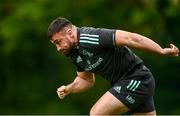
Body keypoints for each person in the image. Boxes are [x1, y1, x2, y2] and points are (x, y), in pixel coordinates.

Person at [47, 17, 179, 115]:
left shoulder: (91, 36)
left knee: (96, 113)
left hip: (137, 79)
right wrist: (70, 88)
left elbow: (130, 38)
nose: (58, 48)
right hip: (126, 84)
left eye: (59, 42)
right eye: (55, 44)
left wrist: (160, 50)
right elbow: (86, 79)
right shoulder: (73, 53)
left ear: (70, 33)